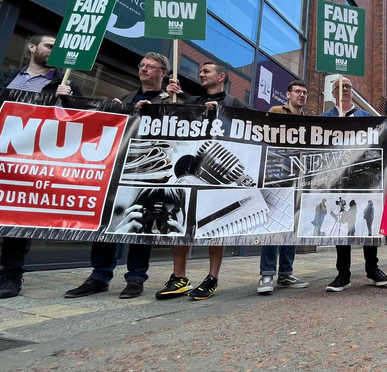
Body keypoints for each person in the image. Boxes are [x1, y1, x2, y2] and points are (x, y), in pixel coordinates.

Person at [64, 52, 171, 299]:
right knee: (106, 220)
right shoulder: (123, 98)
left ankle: (135, 277)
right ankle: (99, 276)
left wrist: (155, 112)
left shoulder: (172, 100)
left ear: (163, 73)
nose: (143, 69)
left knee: (142, 223)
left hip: (149, 172)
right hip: (116, 168)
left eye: (150, 66)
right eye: (141, 65)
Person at [156, 61, 245, 301]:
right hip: (189, 172)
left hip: (218, 179)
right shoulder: (192, 102)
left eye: (206, 71)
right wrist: (171, 100)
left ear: (222, 76)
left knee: (216, 225)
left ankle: (212, 278)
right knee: (181, 221)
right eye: (201, 71)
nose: (201, 74)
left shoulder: (234, 103)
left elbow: (246, 130)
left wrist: (220, 115)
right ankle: (179, 277)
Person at [0, 34, 77, 299]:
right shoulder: (7, 78)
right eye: (49, 45)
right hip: (2, 151)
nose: (54, 50)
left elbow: (76, 123)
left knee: (18, 216)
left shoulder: (64, 83)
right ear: (32, 47)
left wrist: (66, 101)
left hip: (30, 159)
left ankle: (10, 275)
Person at [322, 77, 387, 292]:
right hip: (338, 181)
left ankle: (373, 269)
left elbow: (379, 139)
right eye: (340, 87)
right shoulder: (325, 119)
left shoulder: (365, 117)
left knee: (367, 222)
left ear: (352, 92)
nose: (345, 90)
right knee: (343, 224)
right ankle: (343, 273)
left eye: (349, 87)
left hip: (363, 181)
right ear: (333, 93)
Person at [257, 80, 311, 295]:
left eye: (304, 92)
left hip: (298, 179)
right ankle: (267, 273)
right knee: (275, 226)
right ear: (288, 94)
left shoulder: (308, 121)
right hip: (276, 176)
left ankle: (286, 274)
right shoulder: (276, 111)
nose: (302, 95)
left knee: (293, 227)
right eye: (298, 91)